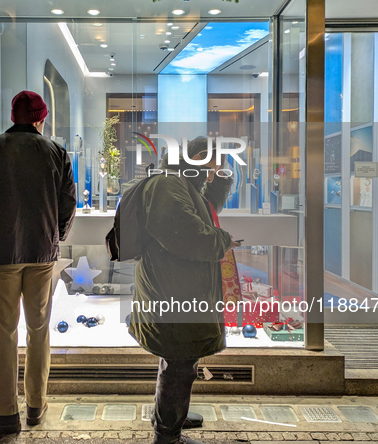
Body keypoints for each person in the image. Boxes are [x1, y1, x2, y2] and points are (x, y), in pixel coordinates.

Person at [0, 91, 77, 434]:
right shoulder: (56, 152)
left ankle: (3, 412)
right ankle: (35, 406)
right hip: (42, 253)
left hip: (0, 252)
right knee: (39, 329)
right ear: (41, 118)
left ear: (13, 116)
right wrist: (54, 236)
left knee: (2, 331)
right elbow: (67, 202)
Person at [129, 137, 240, 444]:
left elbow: (205, 206)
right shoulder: (167, 184)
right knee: (179, 364)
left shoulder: (179, 182)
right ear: (198, 158)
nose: (214, 170)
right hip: (172, 292)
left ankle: (170, 413)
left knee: (178, 361)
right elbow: (187, 234)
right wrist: (223, 240)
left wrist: (222, 177)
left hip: (177, 288)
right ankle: (167, 435)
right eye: (213, 163)